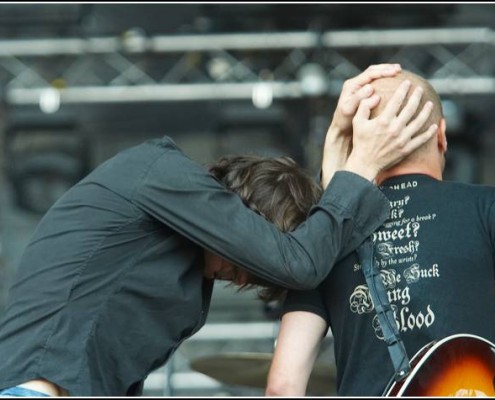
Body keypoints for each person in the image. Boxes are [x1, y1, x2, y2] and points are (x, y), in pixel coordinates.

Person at [0, 64, 436, 397]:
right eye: (252, 258)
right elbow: (299, 265)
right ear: (242, 212)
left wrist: (335, 154)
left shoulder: (177, 265)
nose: (246, 277)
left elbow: (309, 259)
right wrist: (362, 164)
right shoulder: (157, 171)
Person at [265, 69, 495, 397]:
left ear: (358, 143)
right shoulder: (486, 207)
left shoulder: (323, 238)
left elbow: (282, 387)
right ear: (441, 135)